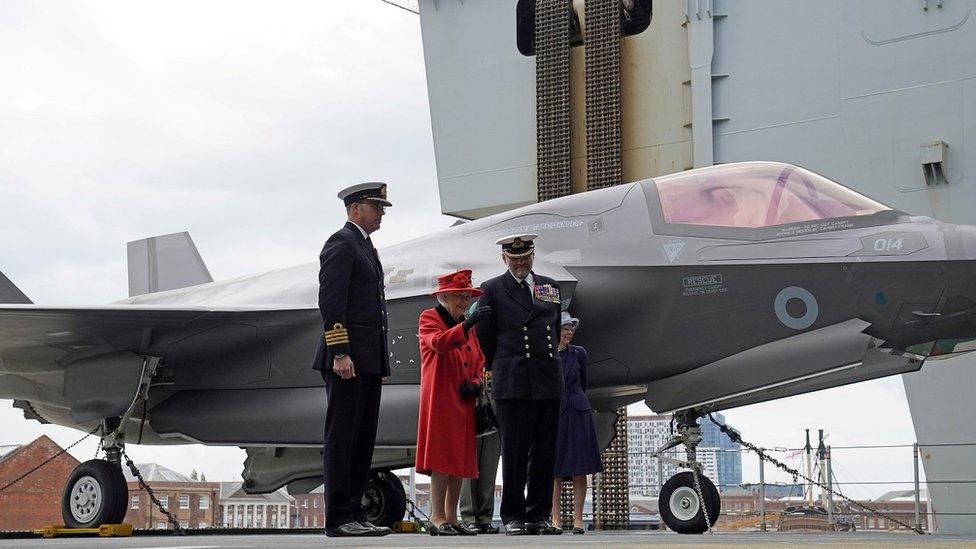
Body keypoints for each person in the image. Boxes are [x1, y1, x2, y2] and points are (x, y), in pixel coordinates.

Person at [311, 182, 393, 538]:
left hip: (367, 360)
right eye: (377, 206)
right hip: (348, 358)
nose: (381, 214)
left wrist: (379, 363)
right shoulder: (341, 243)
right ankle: (338, 517)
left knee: (362, 439)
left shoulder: (366, 247)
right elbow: (332, 302)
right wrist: (340, 352)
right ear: (356, 207)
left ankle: (355, 512)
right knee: (343, 438)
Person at [475, 233, 564, 536]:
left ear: (533, 255)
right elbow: (485, 338)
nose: (521, 263)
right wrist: (499, 367)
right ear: (504, 259)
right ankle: (513, 514)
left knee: (545, 451)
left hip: (548, 377)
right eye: (514, 259)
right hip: (513, 379)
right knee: (514, 451)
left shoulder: (550, 287)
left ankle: (538, 515)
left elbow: (552, 328)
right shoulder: (492, 290)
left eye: (525, 257)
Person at [415, 269, 492, 536]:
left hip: (464, 398)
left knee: (459, 459)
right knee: (442, 458)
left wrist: (476, 382)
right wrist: (467, 325)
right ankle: (436, 517)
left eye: (467, 296)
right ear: (445, 296)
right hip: (441, 398)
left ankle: (452, 516)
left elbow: (479, 359)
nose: (465, 301)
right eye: (460, 296)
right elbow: (437, 343)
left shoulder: (465, 323)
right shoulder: (430, 317)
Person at [550, 312, 602, 534]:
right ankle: (555, 519)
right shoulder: (548, 354)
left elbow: (583, 381)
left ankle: (578, 519)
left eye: (571, 328)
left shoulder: (579, 353)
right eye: (565, 328)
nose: (569, 332)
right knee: (555, 470)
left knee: (581, 468)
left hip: (578, 411)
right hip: (556, 413)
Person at [459, 368, 501, 535]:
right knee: (469, 466)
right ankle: (469, 517)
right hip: (470, 400)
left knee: (489, 465)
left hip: (492, 401)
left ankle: (485, 518)